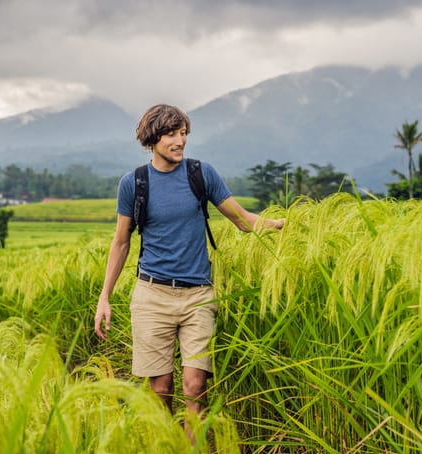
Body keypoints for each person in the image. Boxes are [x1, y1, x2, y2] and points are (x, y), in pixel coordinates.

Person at [94, 103, 284, 427]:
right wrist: (104, 297)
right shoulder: (134, 184)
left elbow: (244, 221)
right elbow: (121, 242)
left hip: (198, 295)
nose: (180, 140)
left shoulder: (201, 174)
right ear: (152, 139)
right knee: (161, 390)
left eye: (183, 133)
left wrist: (286, 225)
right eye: (171, 133)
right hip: (152, 296)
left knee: (195, 387)